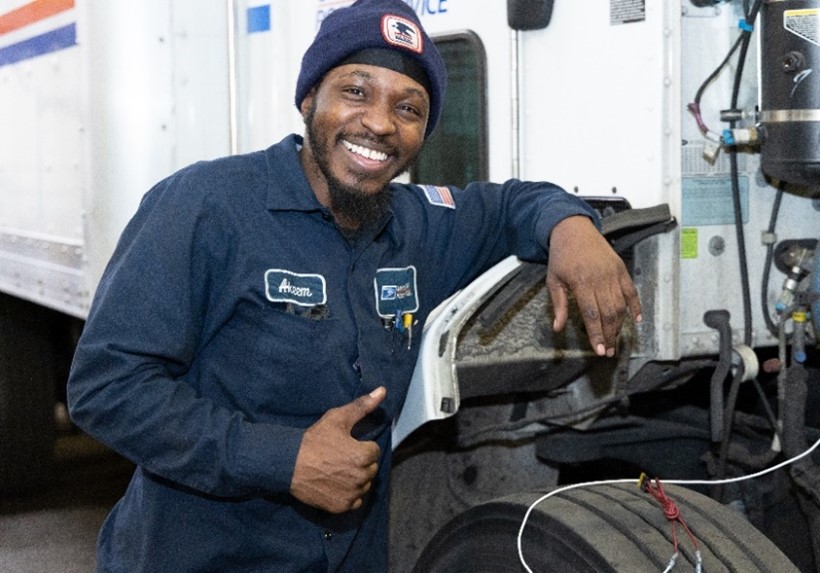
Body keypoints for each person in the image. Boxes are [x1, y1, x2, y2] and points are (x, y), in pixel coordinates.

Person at [67, 0, 642, 571]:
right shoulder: (205, 205)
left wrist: (573, 230)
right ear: (308, 99)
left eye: (408, 108)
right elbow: (107, 385)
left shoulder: (421, 225)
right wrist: (284, 460)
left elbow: (517, 202)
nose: (380, 123)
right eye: (356, 91)